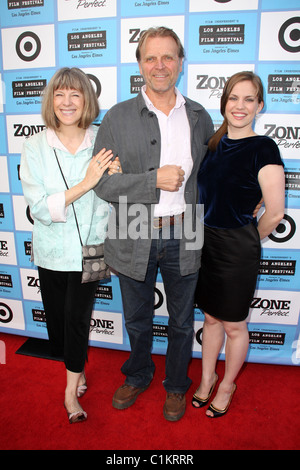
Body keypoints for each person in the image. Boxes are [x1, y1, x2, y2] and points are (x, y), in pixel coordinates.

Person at [93, 27, 214, 421]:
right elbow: (103, 184)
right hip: (132, 228)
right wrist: (152, 180)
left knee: (182, 321)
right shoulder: (116, 117)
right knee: (137, 319)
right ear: (139, 64)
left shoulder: (199, 116)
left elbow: (210, 178)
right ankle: (139, 373)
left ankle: (177, 385)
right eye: (151, 58)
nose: (159, 66)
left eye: (167, 57)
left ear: (180, 63)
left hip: (187, 230)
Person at [20, 67, 120, 424]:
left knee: (78, 321)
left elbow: (117, 191)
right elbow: (39, 208)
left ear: (86, 100)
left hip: (90, 251)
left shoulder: (103, 140)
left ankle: (69, 392)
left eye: (75, 94)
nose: (67, 102)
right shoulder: (34, 146)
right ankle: (76, 370)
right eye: (60, 94)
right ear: (51, 100)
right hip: (50, 250)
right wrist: (86, 181)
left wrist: (115, 174)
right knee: (59, 329)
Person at [192, 71, 285, 417]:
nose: (240, 106)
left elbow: (274, 214)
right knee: (211, 319)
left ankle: (227, 384)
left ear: (259, 106)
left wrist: (245, 240)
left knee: (234, 324)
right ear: (224, 103)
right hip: (207, 245)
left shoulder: (263, 147)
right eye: (234, 98)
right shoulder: (214, 144)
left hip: (237, 249)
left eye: (249, 99)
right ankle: (206, 378)